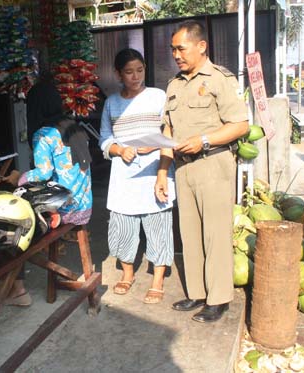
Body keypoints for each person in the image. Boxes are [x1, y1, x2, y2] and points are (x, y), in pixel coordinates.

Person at [154, 20, 248, 323]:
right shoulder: (174, 84)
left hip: (213, 164)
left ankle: (218, 298)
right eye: (173, 50)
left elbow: (240, 124)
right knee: (190, 234)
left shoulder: (220, 79)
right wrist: (161, 172)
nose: (176, 55)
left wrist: (204, 140)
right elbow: (168, 130)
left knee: (215, 234)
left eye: (181, 48)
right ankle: (197, 292)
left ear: (201, 46)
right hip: (183, 168)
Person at [99, 48, 175, 304]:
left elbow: (171, 133)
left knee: (158, 226)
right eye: (129, 72)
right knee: (123, 226)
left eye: (140, 70)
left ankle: (157, 280)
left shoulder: (157, 97)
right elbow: (104, 138)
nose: (136, 77)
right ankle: (127, 274)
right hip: (123, 176)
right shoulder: (111, 103)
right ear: (118, 74)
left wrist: (153, 145)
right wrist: (119, 149)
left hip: (156, 172)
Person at [3, 102, 93, 307]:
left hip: (65, 210)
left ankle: (18, 290)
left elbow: (42, 174)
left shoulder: (44, 134)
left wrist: (20, 177)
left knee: (10, 226)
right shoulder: (72, 126)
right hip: (83, 207)